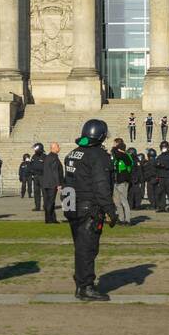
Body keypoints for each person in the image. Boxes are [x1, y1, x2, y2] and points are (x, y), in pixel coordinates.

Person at [64, 119, 117, 300]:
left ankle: (81, 282)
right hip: (89, 208)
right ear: (101, 135)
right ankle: (85, 286)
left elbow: (68, 183)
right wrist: (110, 210)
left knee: (80, 247)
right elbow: (102, 186)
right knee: (88, 248)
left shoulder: (73, 153)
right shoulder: (98, 156)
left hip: (72, 206)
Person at [109, 138, 134, 225]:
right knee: (117, 201)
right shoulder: (117, 155)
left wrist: (116, 150)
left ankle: (127, 220)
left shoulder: (126, 155)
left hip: (123, 181)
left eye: (115, 144)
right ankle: (121, 218)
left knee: (124, 201)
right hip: (116, 181)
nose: (113, 145)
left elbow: (127, 161)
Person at [42, 143, 63, 224]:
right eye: (58, 146)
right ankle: (49, 219)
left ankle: (52, 219)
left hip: (46, 182)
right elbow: (55, 172)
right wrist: (58, 184)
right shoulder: (54, 157)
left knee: (49, 202)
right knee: (50, 202)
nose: (59, 147)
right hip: (51, 183)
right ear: (53, 148)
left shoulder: (48, 157)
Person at [154, 142, 169, 212]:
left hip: (168, 176)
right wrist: (158, 164)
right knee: (161, 192)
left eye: (164, 147)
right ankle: (162, 207)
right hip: (161, 176)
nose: (163, 148)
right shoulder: (160, 156)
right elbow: (156, 164)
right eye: (162, 147)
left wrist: (164, 166)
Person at [28, 145, 46, 212]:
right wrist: (31, 172)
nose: (34, 150)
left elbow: (46, 167)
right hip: (35, 177)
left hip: (43, 176)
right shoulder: (33, 156)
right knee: (36, 192)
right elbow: (30, 165)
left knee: (44, 193)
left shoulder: (44, 157)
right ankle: (37, 206)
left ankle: (45, 206)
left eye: (36, 149)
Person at [127, 147, 145, 213]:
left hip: (134, 178)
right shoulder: (132, 159)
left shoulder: (135, 160)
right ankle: (132, 205)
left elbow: (139, 170)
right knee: (131, 193)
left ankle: (136, 205)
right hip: (132, 178)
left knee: (135, 193)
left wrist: (139, 178)